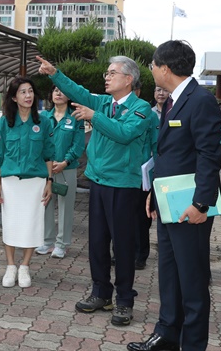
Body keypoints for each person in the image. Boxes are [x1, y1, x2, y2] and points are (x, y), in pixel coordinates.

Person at [37, 55, 152, 327]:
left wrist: (94, 117)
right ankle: (101, 293)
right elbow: (76, 91)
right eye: (107, 72)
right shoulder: (102, 102)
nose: (106, 77)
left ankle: (124, 300)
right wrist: (55, 73)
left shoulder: (141, 108)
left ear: (129, 79)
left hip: (123, 185)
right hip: (98, 182)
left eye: (112, 73)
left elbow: (123, 133)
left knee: (123, 246)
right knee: (97, 243)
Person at [128, 40, 221, 351]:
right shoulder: (171, 102)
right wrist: (154, 195)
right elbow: (168, 154)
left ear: (165, 68)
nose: (152, 70)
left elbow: (210, 155)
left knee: (193, 280)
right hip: (168, 202)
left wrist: (201, 204)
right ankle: (167, 335)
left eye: (153, 65)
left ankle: (193, 344)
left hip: (190, 206)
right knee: (168, 273)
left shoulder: (201, 101)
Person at [0, 76, 54, 288]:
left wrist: (49, 182)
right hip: (11, 182)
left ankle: (25, 266)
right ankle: (10, 266)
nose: (28, 96)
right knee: (10, 224)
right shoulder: (4, 122)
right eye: (23, 92)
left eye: (30, 91)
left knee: (32, 224)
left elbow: (48, 154)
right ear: (14, 97)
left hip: (35, 181)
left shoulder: (43, 122)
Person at [36, 85, 85, 259]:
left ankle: (62, 244)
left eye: (62, 90)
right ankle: (47, 241)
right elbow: (38, 142)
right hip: (46, 168)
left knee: (66, 207)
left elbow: (78, 144)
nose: (58, 93)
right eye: (55, 90)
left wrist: (65, 162)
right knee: (46, 203)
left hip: (67, 169)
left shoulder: (76, 117)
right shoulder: (43, 117)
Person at [133, 81, 159, 271]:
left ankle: (141, 254)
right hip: (122, 174)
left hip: (143, 175)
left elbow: (156, 146)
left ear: (138, 91)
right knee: (122, 217)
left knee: (142, 218)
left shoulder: (149, 115)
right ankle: (120, 252)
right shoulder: (113, 110)